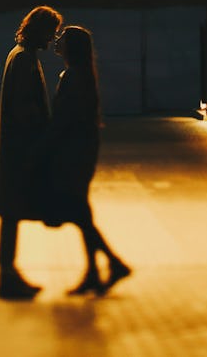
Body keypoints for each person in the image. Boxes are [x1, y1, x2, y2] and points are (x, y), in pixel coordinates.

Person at [0, 5, 63, 300]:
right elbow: (24, 107)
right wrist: (42, 139)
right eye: (51, 31)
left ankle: (8, 274)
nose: (53, 38)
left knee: (11, 212)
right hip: (19, 148)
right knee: (11, 211)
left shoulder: (19, 54)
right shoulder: (24, 60)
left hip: (15, 146)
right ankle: (7, 276)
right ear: (39, 29)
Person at [49, 25, 131, 296]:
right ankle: (98, 270)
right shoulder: (82, 75)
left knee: (79, 211)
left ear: (71, 47)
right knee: (80, 211)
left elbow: (64, 118)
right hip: (82, 148)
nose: (56, 41)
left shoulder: (73, 76)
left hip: (74, 151)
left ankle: (109, 265)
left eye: (62, 38)